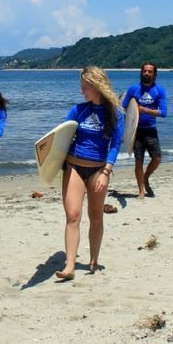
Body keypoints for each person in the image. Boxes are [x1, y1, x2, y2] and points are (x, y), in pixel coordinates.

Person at [56, 66, 124, 280]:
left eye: (84, 86)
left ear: (95, 85)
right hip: (74, 166)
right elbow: (61, 137)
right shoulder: (78, 110)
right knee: (72, 215)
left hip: (98, 169)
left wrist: (106, 172)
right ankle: (69, 267)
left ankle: (93, 260)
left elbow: (115, 144)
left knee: (95, 216)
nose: (81, 91)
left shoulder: (115, 113)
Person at [121, 62, 168, 199]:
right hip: (136, 131)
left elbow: (163, 113)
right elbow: (124, 109)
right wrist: (124, 130)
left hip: (151, 130)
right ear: (141, 72)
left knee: (157, 158)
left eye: (150, 71)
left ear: (154, 74)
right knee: (139, 162)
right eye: (145, 71)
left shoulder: (159, 91)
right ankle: (141, 190)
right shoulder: (133, 89)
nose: (147, 73)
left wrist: (143, 110)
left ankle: (146, 177)